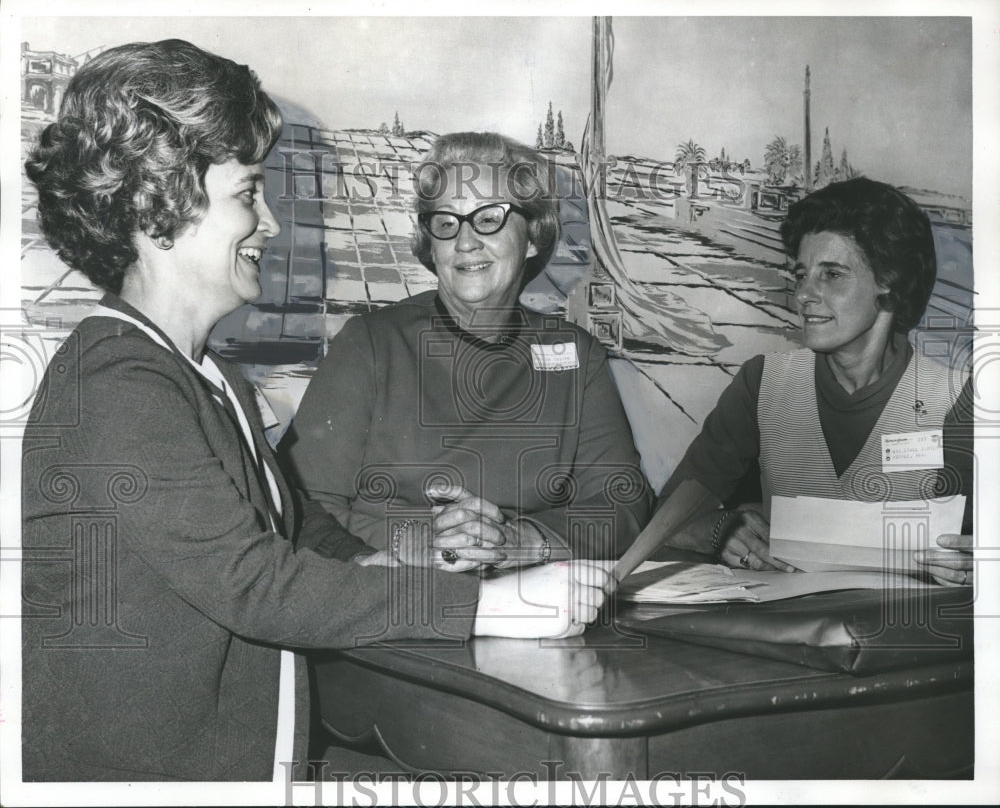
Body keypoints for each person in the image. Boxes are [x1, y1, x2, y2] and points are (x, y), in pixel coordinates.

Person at [20, 40, 612, 783]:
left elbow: (299, 526)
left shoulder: (206, 375)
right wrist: (497, 606)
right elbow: (255, 583)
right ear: (156, 201)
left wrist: (383, 562)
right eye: (247, 194)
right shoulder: (116, 379)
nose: (269, 222)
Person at [281, 132, 652, 573]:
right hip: (394, 590)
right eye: (446, 222)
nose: (466, 241)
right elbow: (295, 502)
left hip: (526, 599)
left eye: (489, 218)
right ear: (431, 246)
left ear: (532, 236)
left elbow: (624, 504)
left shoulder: (575, 355)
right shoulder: (371, 344)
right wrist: (413, 544)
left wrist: (522, 541)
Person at [615, 178, 974, 587]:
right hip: (788, 628)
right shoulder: (762, 383)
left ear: (889, 280)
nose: (803, 294)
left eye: (832, 274)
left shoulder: (959, 399)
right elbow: (668, 520)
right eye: (801, 274)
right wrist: (722, 532)